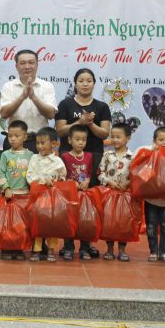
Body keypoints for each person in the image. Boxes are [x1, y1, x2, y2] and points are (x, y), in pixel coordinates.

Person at [55, 68, 111, 259]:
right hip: (68, 157)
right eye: (81, 80)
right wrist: (80, 121)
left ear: (94, 83)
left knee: (90, 203)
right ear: (75, 83)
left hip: (93, 157)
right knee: (69, 202)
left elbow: (104, 133)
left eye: (89, 80)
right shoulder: (65, 104)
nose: (85, 84)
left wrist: (91, 124)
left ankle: (87, 244)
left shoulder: (102, 107)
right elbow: (60, 131)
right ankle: (68, 244)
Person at [0, 49, 57, 152]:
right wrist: (22, 96)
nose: (27, 67)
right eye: (22, 63)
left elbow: (51, 114)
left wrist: (33, 97)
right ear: (16, 66)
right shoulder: (8, 86)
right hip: (14, 141)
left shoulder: (47, 86)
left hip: (39, 142)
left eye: (31, 63)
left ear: (37, 65)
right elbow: (4, 114)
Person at [26, 127, 67, 262]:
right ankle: (36, 250)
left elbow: (63, 177)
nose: (40, 146)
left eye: (43, 143)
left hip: (53, 198)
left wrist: (55, 182)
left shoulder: (58, 161)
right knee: (37, 223)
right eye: (38, 143)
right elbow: (30, 176)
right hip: (37, 196)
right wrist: (43, 181)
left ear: (53, 144)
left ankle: (50, 250)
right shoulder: (34, 158)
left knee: (51, 224)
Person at [137, 126, 165, 263]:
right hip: (151, 200)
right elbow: (142, 173)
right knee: (151, 227)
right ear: (154, 141)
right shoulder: (149, 152)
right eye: (161, 140)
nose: (164, 142)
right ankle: (153, 251)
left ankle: (164, 252)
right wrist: (150, 153)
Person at [0, 120, 34, 261]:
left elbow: (33, 174)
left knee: (21, 224)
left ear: (25, 137)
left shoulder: (31, 155)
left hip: (25, 195)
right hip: (9, 195)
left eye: (17, 136)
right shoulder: (6, 155)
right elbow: (1, 173)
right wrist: (6, 188)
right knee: (8, 223)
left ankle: (19, 248)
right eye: (10, 136)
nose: (12, 139)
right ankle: (6, 248)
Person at [98, 122, 134, 262]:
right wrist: (109, 182)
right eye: (112, 137)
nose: (115, 140)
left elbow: (135, 175)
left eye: (118, 137)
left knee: (124, 221)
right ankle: (109, 249)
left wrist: (128, 183)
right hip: (109, 193)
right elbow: (100, 173)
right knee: (110, 221)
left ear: (128, 138)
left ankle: (122, 250)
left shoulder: (132, 157)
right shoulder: (107, 155)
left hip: (125, 195)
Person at [60, 125, 92, 261]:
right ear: (69, 140)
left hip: (84, 195)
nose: (80, 142)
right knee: (69, 221)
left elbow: (89, 173)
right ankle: (68, 247)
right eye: (77, 139)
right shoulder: (65, 156)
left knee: (85, 221)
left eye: (84, 140)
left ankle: (84, 248)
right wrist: (71, 182)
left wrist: (87, 181)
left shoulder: (89, 156)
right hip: (70, 195)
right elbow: (62, 175)